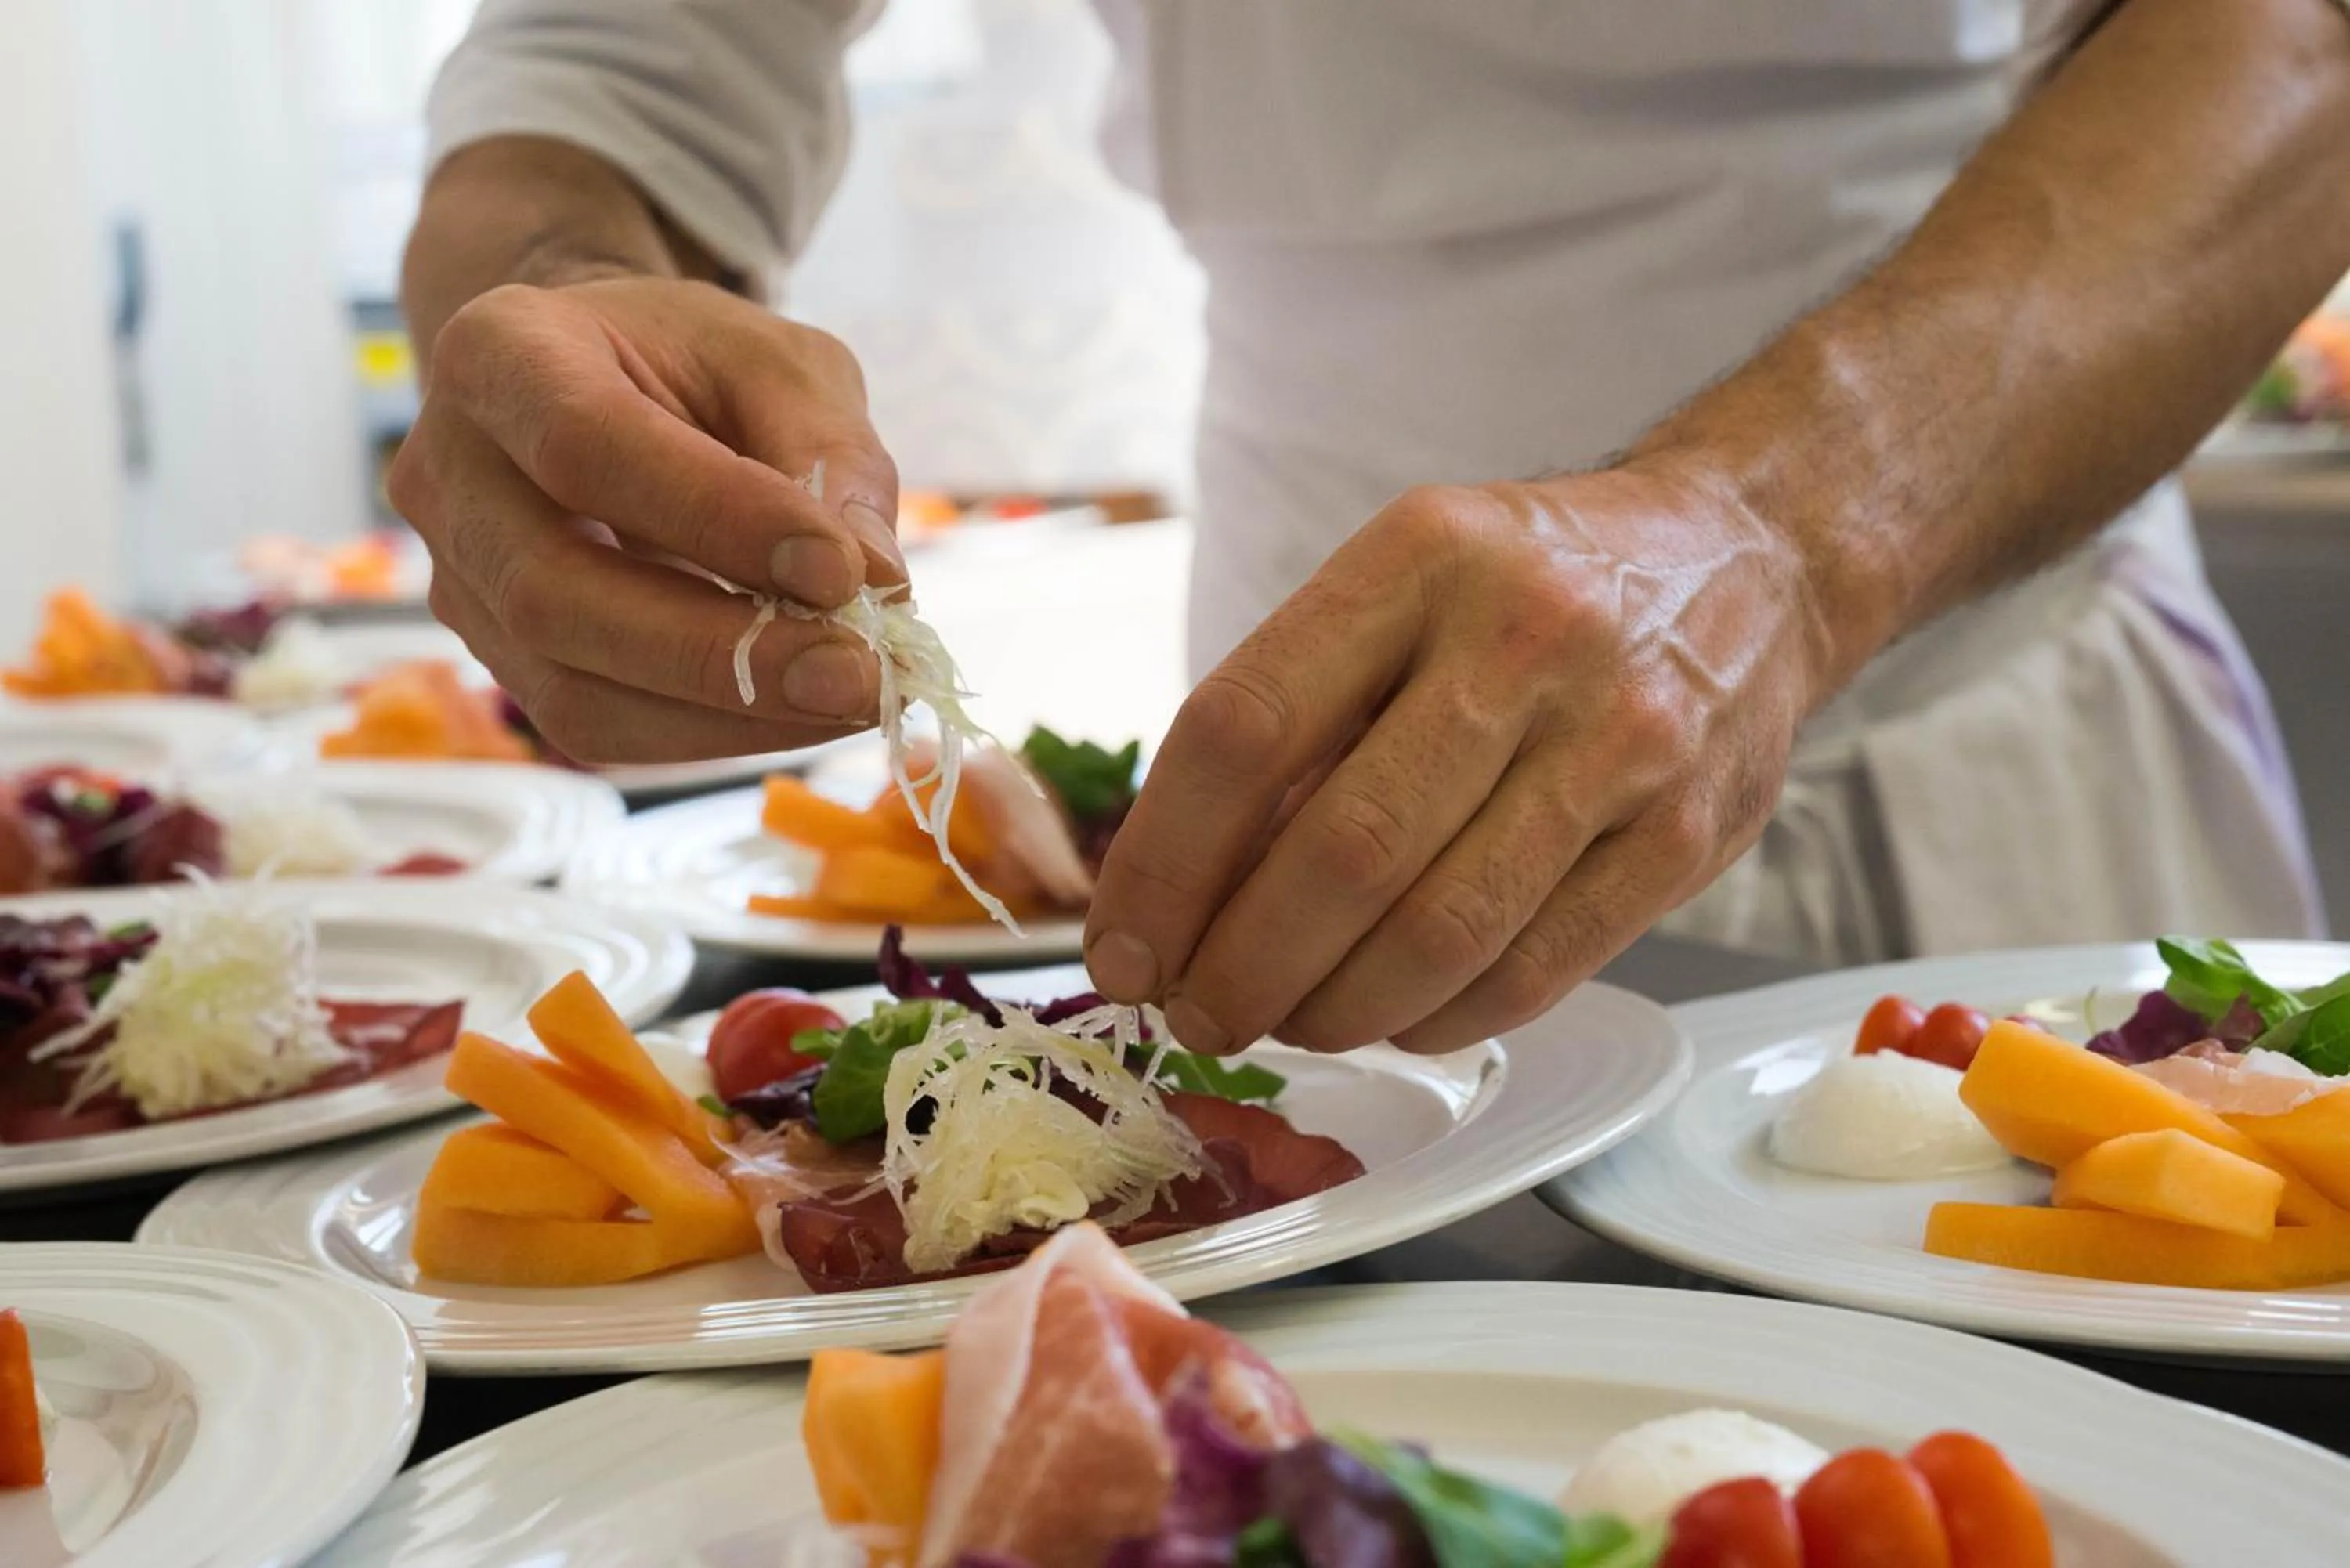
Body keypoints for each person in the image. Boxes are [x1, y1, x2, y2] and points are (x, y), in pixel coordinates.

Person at [394, 0, 2350, 1058]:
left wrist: (1780, 527)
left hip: (1971, 698)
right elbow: (614, 76)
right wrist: (560, 295)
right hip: (1294, 781)